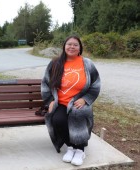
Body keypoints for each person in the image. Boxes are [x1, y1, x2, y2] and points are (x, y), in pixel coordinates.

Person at [41, 35, 101, 166]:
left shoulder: (87, 64)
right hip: (61, 102)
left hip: (79, 102)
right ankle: (71, 147)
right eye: (69, 44)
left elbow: (95, 84)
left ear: (80, 48)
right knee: (58, 120)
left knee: (78, 115)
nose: (72, 47)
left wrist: (86, 99)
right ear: (64, 46)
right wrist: (50, 101)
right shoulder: (55, 63)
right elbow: (45, 83)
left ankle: (80, 150)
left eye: (75, 45)